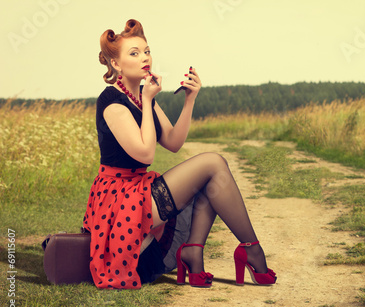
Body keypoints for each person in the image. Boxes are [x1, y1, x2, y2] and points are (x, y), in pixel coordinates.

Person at [82, 19, 276, 289]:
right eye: (134, 53)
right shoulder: (112, 102)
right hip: (120, 198)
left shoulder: (139, 95)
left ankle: (193, 253)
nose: (145, 58)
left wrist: (189, 100)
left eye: (147, 51)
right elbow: (145, 155)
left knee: (211, 175)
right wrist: (148, 100)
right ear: (116, 64)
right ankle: (251, 250)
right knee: (213, 163)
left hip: (138, 190)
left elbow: (173, 142)